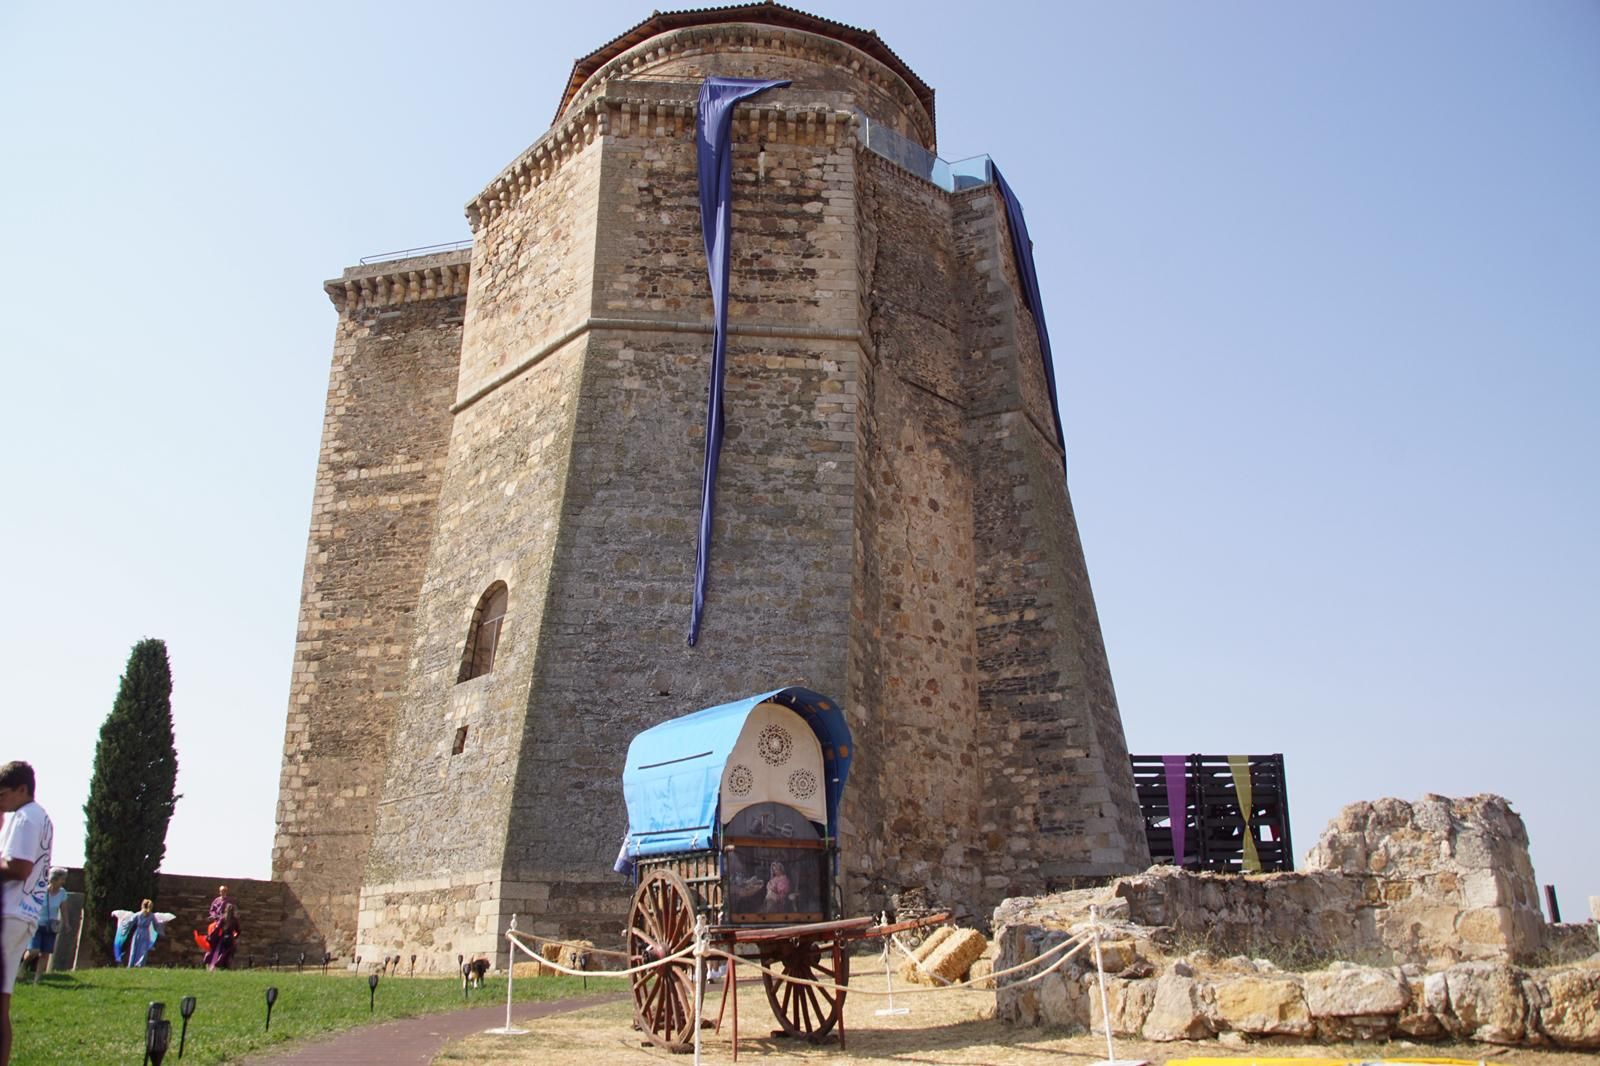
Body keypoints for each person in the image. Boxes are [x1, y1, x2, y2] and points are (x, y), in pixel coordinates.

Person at [1, 760, 54, 1066]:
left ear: (22, 789)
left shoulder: (24, 818)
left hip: (7, 914)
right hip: (24, 916)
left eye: (2, 795)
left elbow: (20, 867)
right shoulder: (41, 817)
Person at [20, 868, 67, 983]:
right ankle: (23, 966)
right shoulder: (40, 890)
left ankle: (37, 979)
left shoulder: (62, 893)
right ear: (54, 879)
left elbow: (64, 909)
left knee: (45, 953)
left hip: (51, 927)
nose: (63, 882)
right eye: (62, 879)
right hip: (37, 924)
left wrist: (66, 922)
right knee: (33, 951)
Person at [112, 899, 173, 967]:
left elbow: (129, 922)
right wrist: (163, 924)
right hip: (146, 933)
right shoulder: (151, 916)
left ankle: (131, 964)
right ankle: (140, 964)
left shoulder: (138, 914)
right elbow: (156, 925)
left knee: (134, 948)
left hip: (138, 932)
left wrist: (122, 922)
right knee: (143, 950)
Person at [203, 902, 240, 971]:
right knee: (228, 953)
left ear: (226, 910)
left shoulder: (223, 918)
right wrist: (235, 937)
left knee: (218, 951)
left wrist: (211, 936)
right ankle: (223, 965)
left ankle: (217, 964)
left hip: (223, 938)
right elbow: (238, 931)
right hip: (230, 939)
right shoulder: (235, 920)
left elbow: (217, 928)